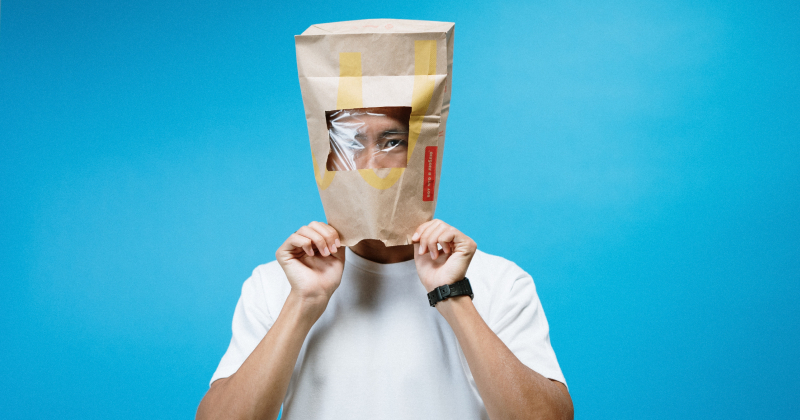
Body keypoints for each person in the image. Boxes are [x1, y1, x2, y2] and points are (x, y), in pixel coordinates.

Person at [196, 219, 574, 419]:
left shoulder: (501, 281)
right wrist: (303, 301)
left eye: (392, 142)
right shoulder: (278, 282)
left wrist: (451, 293)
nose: (371, 163)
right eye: (351, 145)